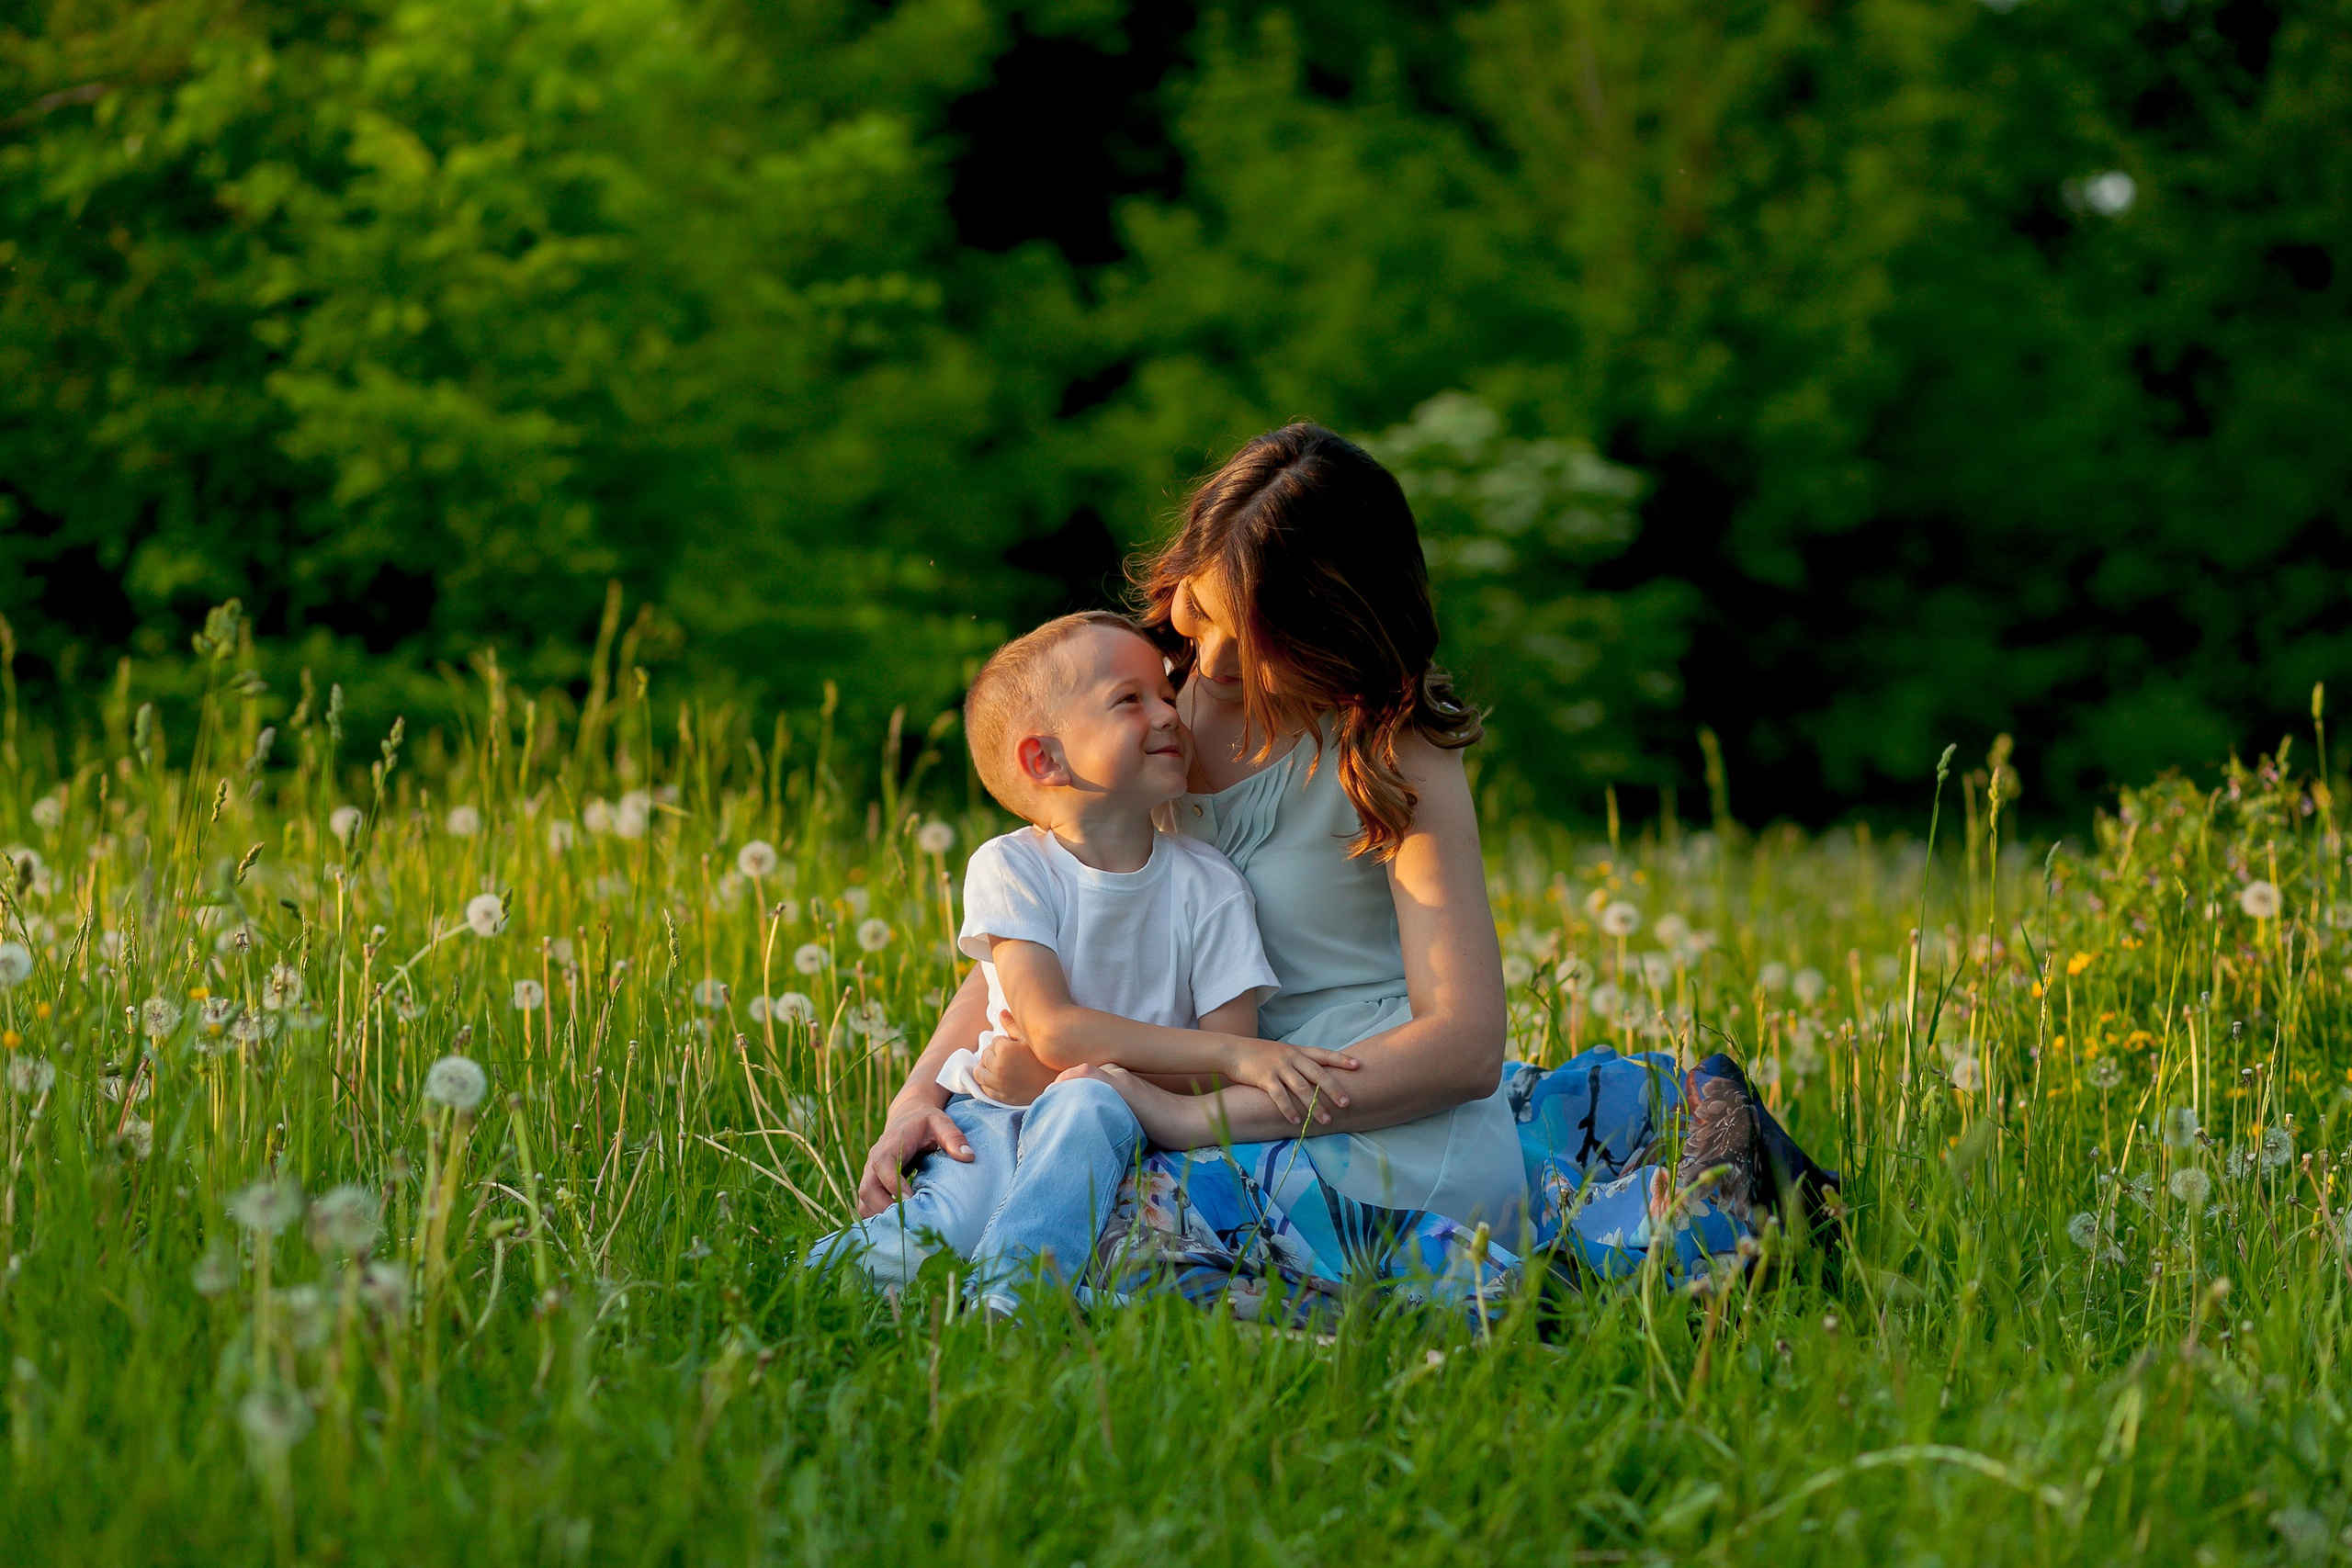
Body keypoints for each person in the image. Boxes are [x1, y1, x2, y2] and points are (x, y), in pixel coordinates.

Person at [808, 610, 1358, 1311]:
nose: (1169, 714)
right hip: (994, 1118)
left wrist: (1103, 1075)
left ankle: (1008, 1307)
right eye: (1131, 700)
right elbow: (1054, 1026)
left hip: (1129, 1131)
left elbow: (1218, 1064)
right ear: (1046, 759)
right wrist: (1223, 1054)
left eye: (1165, 693)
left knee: (1088, 1103)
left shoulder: (1211, 884)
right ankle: (797, 1284)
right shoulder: (1012, 867)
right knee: (942, 1230)